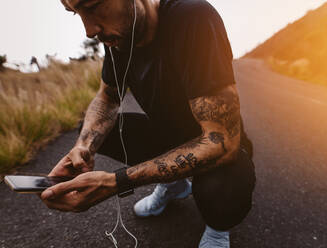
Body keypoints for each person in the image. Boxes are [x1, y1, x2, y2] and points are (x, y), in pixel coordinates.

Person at [41, 0, 256, 247]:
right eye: (74, 12)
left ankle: (218, 229)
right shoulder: (119, 37)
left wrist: (116, 182)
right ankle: (174, 185)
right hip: (167, 136)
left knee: (221, 188)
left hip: (217, 143)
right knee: (92, 132)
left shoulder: (192, 16)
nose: (89, 30)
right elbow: (108, 97)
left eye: (92, 5)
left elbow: (222, 142)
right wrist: (82, 147)